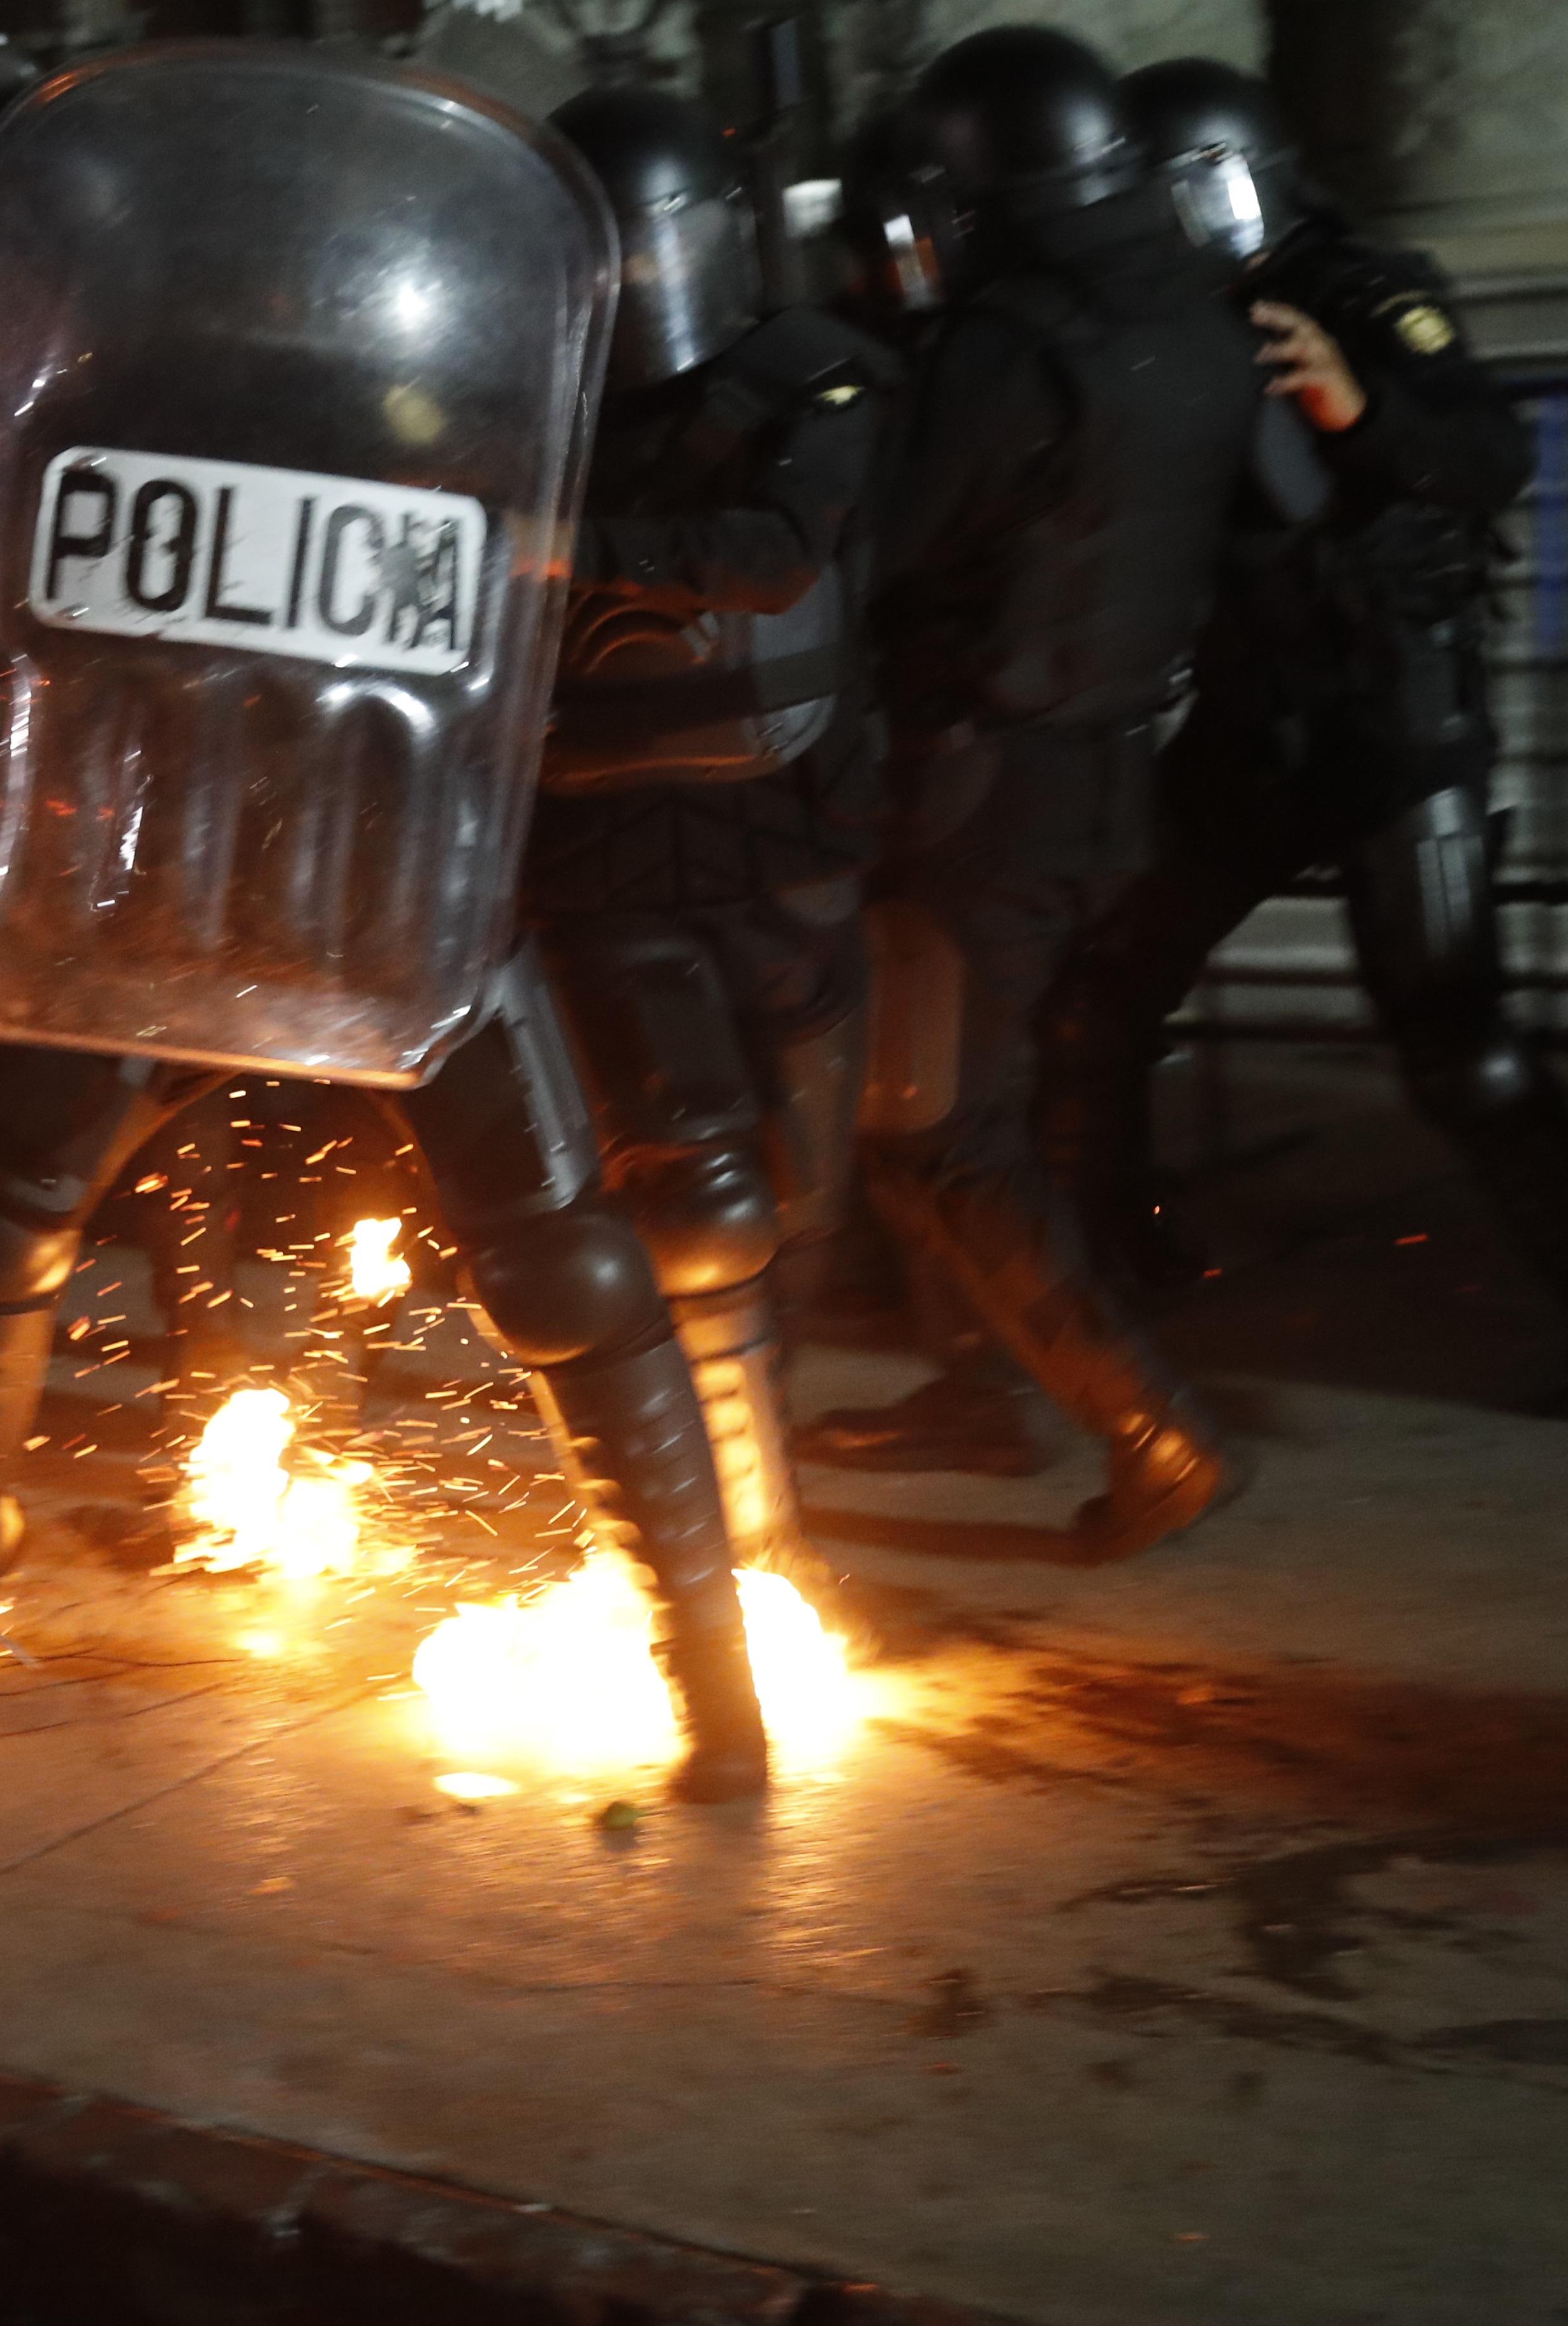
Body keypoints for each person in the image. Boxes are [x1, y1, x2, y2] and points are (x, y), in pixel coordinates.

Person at [0, 54, 770, 1802]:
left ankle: (712, 1664)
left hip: (394, 890)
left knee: (563, 1262)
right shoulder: (124, 397)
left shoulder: (444, 408)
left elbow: (611, 565)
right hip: (162, 883)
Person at [1033, 57, 1568, 1420]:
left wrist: (1362, 408)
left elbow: (1489, 454)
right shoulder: (1164, 324)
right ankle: (1118, 1263)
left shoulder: (1360, 290)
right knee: (1097, 995)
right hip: (1254, 723)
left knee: (1459, 1042)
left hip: (1393, 719)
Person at [789, 27, 1261, 1556]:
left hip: (982, 791)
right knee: (932, 1108)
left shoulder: (1014, 341)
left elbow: (902, 542)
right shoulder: (1191, 313)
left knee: (942, 1127)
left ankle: (1155, 1435)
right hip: (1103, 769)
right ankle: (982, 1396)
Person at [529, 87, 900, 1597]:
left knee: (801, 1198)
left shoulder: (819, 382)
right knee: (699, 1204)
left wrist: (585, 555)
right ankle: (746, 1541)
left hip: (782, 836)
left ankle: (760, 1483)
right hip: (606, 847)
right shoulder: (524, 394)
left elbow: (773, 558)